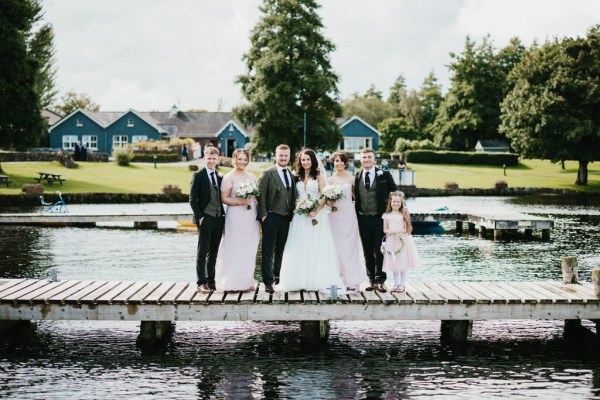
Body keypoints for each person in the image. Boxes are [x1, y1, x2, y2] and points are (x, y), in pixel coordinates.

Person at [277, 148, 344, 292]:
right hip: (300, 216)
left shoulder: (318, 175)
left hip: (316, 216)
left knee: (315, 245)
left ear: (313, 160)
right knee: (299, 245)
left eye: (308, 159)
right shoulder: (297, 176)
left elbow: (324, 195)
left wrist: (316, 210)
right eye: (303, 160)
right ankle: (298, 280)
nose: (305, 162)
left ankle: (315, 280)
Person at [214, 149, 259, 292]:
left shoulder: (252, 177)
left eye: (245, 159)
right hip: (236, 216)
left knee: (249, 248)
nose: (242, 162)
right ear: (234, 159)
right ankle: (231, 282)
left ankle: (246, 281)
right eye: (240, 159)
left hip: (251, 216)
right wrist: (240, 201)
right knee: (234, 247)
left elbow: (257, 197)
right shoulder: (229, 177)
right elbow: (224, 198)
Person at [354, 147, 398, 292]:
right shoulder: (358, 175)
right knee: (367, 250)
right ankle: (371, 280)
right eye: (364, 157)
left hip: (380, 218)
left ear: (374, 159)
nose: (366, 160)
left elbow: (395, 192)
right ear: (360, 159)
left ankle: (380, 280)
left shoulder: (384, 174)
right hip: (363, 218)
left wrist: (397, 213)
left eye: (369, 157)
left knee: (380, 249)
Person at [257, 144, 297, 294]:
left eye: (286, 155)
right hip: (270, 216)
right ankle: (267, 282)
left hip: (286, 218)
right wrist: (263, 214)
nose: (283, 158)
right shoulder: (267, 173)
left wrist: (292, 213)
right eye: (281, 155)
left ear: (289, 156)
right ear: (276, 155)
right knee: (268, 250)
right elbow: (261, 195)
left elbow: (292, 195)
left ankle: (278, 278)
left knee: (280, 250)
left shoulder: (291, 175)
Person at [327, 152, 368, 291]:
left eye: (341, 161)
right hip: (334, 216)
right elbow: (326, 201)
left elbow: (358, 198)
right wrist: (330, 201)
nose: (338, 163)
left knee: (349, 248)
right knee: (335, 248)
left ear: (346, 163)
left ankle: (352, 281)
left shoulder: (352, 179)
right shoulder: (330, 180)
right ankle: (337, 279)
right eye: (336, 161)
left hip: (349, 215)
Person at [189, 146, 225, 292]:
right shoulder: (198, 175)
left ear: (217, 160)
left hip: (218, 218)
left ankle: (211, 281)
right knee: (202, 251)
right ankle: (201, 282)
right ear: (204, 158)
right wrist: (200, 217)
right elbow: (192, 199)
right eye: (209, 158)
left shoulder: (219, 176)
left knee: (214, 252)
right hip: (205, 218)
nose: (211, 161)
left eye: (214, 159)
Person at [382, 191, 421, 292]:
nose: (396, 203)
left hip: (403, 240)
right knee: (394, 261)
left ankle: (402, 284)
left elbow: (407, 229)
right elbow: (385, 230)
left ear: (401, 203)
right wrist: (390, 232)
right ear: (390, 202)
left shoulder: (403, 214)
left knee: (403, 261)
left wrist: (395, 231)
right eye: (394, 201)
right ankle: (396, 284)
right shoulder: (386, 215)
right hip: (391, 241)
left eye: (398, 202)